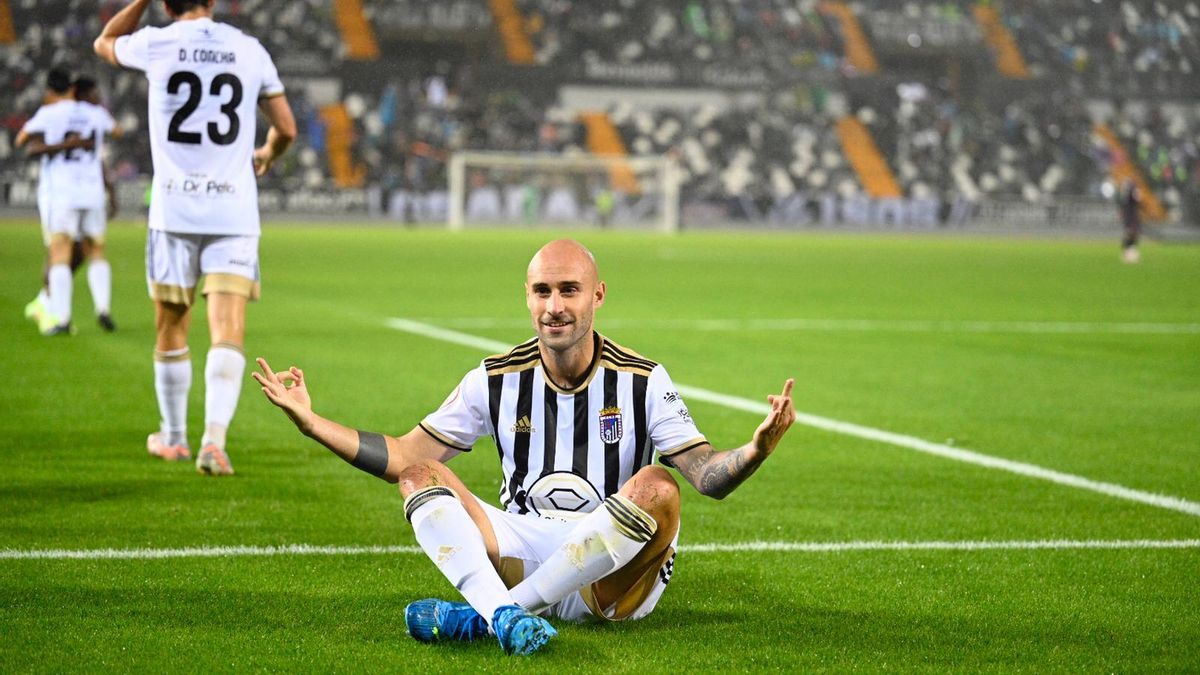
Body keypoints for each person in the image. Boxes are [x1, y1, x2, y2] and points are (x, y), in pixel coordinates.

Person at [253, 239, 798, 655]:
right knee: (420, 476)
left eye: (569, 290)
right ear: (528, 297)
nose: (555, 307)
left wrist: (752, 452)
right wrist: (312, 423)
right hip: (522, 544)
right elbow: (404, 454)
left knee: (660, 486)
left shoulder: (643, 380)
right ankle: (507, 614)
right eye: (543, 292)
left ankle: (485, 616)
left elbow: (704, 474)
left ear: (598, 296)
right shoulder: (494, 379)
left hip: (609, 569)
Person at [94, 0, 297, 475]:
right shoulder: (248, 49)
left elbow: (103, 42)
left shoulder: (156, 41)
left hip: (175, 209)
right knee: (228, 328)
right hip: (233, 210)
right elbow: (286, 127)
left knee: (172, 326)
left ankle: (172, 438)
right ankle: (214, 442)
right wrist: (267, 151)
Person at [15, 68, 116, 335]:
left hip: (61, 192)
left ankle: (61, 317)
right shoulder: (96, 113)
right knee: (96, 251)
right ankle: (103, 309)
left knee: (59, 253)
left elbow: (22, 140)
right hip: (92, 192)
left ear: (50, 90)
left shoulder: (49, 114)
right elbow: (115, 131)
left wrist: (58, 143)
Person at [1118, 179, 1142, 264]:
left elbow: (1137, 202)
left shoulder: (1128, 197)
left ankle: (1129, 252)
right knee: (1130, 234)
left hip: (1131, 217)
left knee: (1131, 234)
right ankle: (1128, 252)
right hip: (1130, 217)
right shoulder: (1128, 198)